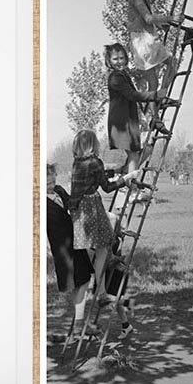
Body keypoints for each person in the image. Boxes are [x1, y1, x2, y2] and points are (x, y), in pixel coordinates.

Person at [68, 129, 140, 333]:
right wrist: (127, 177)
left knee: (97, 251)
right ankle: (101, 292)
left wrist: (114, 171)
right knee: (103, 250)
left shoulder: (77, 163)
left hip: (78, 213)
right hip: (92, 210)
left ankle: (101, 292)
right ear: (93, 145)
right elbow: (107, 187)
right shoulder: (95, 162)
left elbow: (94, 177)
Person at [126, 0, 182, 135]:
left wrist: (161, 25)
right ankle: (161, 99)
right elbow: (148, 18)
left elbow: (143, 20)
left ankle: (156, 115)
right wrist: (171, 18)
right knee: (170, 64)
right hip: (144, 41)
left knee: (155, 80)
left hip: (143, 38)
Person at [44, 162, 92, 340]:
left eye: (53, 180)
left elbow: (73, 204)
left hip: (75, 241)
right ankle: (79, 325)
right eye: (47, 183)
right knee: (80, 282)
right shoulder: (38, 203)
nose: (51, 185)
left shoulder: (59, 191)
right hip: (62, 248)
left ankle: (79, 323)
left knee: (82, 281)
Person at [105, 42, 156, 177]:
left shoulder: (123, 75)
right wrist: (153, 95)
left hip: (130, 120)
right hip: (122, 124)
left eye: (122, 58)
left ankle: (125, 171)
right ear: (109, 61)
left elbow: (133, 97)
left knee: (147, 148)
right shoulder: (115, 77)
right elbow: (132, 95)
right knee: (133, 154)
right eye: (115, 59)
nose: (119, 62)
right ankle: (131, 183)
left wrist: (142, 117)